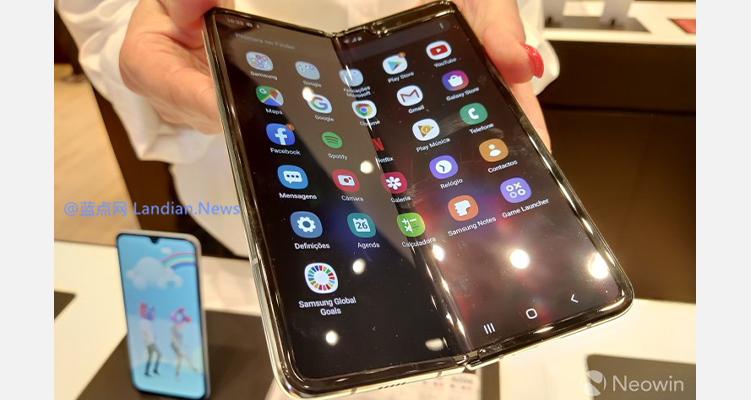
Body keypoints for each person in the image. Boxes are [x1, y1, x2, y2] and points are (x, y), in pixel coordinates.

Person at [57, 0, 559, 257]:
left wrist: (495, 29)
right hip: (253, 176)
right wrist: (148, 48)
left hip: (444, 126)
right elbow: (103, 14)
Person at [169, 307, 198, 378]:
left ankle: (177, 374)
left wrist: (185, 344)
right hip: (174, 346)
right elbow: (173, 337)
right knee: (185, 357)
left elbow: (180, 339)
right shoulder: (173, 327)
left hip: (177, 346)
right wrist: (177, 345)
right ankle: (193, 368)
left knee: (180, 360)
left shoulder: (178, 328)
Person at [138, 302, 161, 376]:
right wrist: (151, 340)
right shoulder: (144, 321)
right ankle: (154, 370)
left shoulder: (145, 321)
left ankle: (147, 371)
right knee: (159, 354)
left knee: (151, 356)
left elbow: (147, 333)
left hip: (149, 342)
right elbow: (146, 333)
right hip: (150, 342)